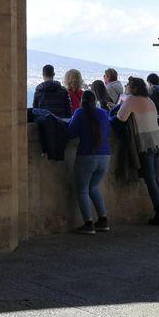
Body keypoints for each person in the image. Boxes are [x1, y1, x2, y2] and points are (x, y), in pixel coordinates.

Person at [114, 76, 159, 225]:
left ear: (134, 88)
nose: (127, 87)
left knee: (150, 180)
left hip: (146, 143)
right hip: (158, 141)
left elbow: (121, 118)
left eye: (129, 85)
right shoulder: (149, 100)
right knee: (157, 179)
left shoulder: (131, 100)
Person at [65, 90, 111, 234]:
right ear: (95, 100)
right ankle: (103, 221)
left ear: (82, 101)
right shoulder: (104, 113)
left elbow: (70, 132)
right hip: (105, 156)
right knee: (94, 187)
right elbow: (108, 131)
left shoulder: (79, 113)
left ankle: (88, 223)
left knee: (83, 189)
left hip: (86, 155)